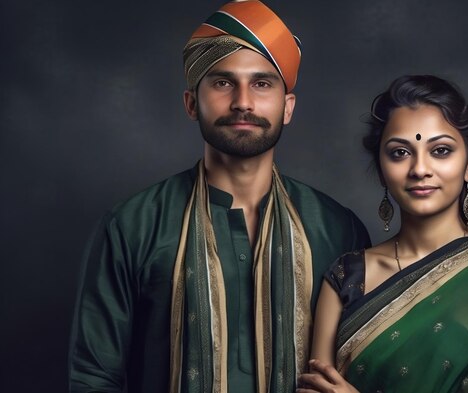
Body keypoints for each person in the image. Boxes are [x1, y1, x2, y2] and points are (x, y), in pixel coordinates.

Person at [68, 2, 370, 392]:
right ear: (192, 103)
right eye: (223, 82)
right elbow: (94, 378)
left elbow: (362, 367)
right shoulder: (133, 225)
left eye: (262, 83)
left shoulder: (337, 229)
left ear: (288, 107)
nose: (243, 101)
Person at [298, 75, 468, 392]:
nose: (420, 169)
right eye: (400, 152)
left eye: (440, 150)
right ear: (382, 170)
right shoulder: (347, 276)